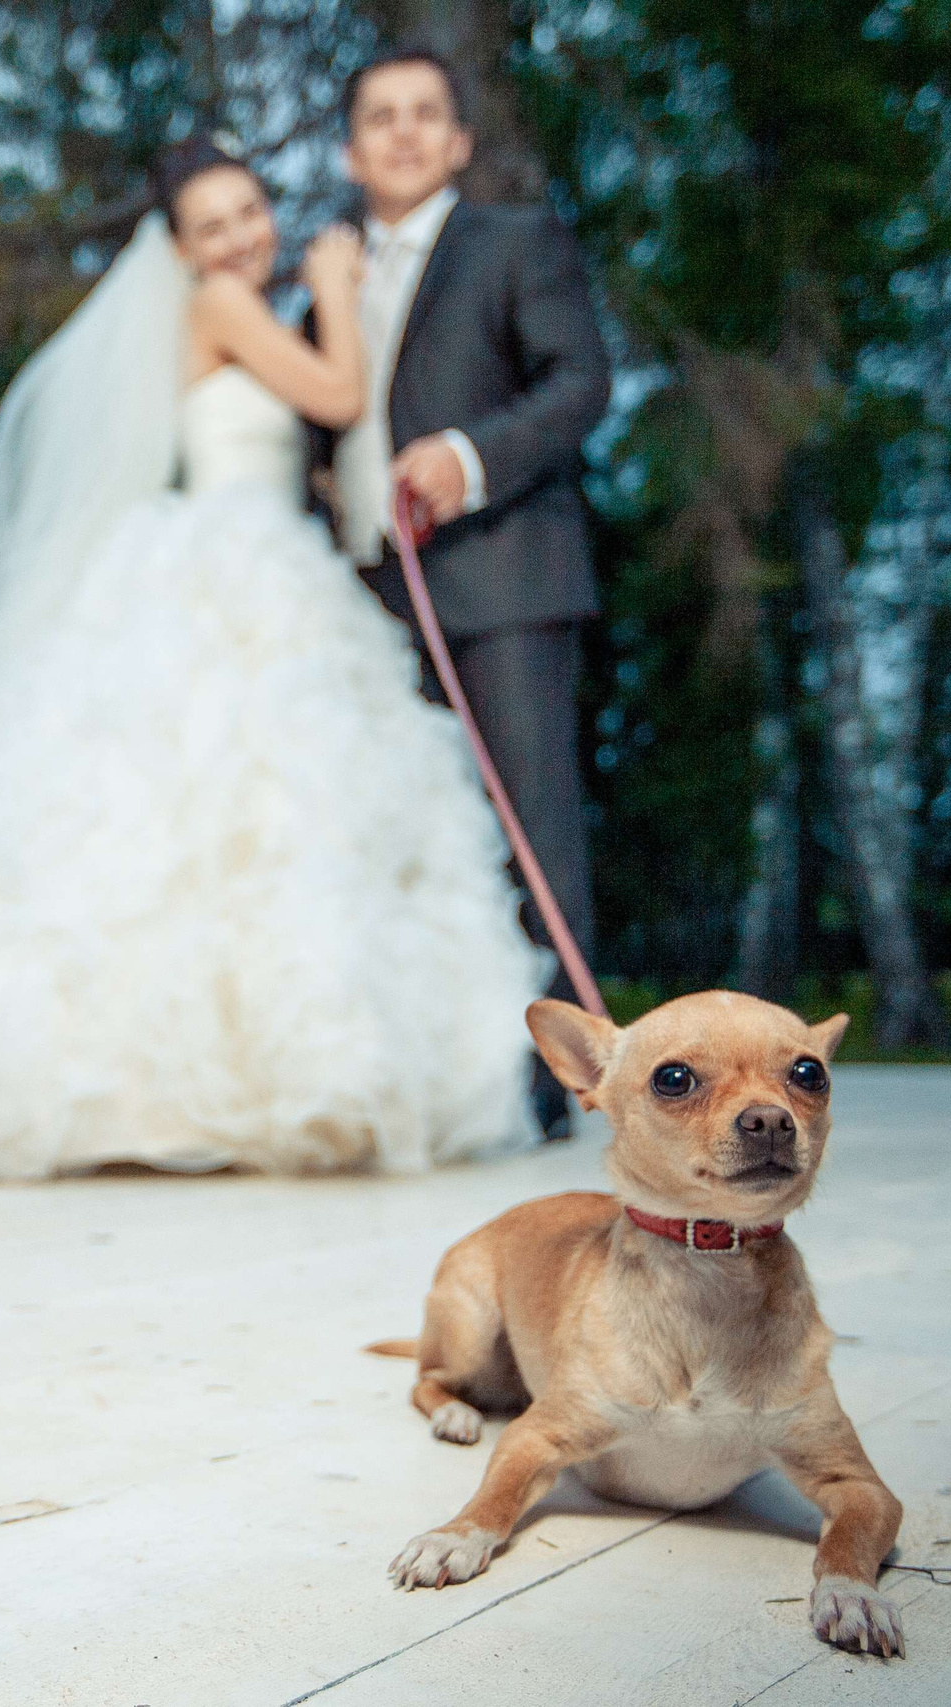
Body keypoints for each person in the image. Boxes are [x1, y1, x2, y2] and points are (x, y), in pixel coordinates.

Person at [0, 139, 544, 1179]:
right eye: (211, 226)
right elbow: (339, 395)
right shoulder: (223, 305)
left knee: (256, 826)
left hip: (275, 558)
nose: (238, 238)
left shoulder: (239, 312)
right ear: (180, 250)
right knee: (211, 813)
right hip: (230, 564)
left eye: (249, 212)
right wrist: (337, 286)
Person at [318, 48, 613, 1141]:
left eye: (424, 114)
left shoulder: (515, 242)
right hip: (364, 608)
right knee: (410, 846)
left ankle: (561, 1090)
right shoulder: (330, 275)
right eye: (379, 117)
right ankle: (446, 1074)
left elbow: (580, 381)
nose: (402, 132)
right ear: (349, 152)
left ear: (457, 143)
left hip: (502, 584)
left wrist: (467, 457)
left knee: (530, 837)